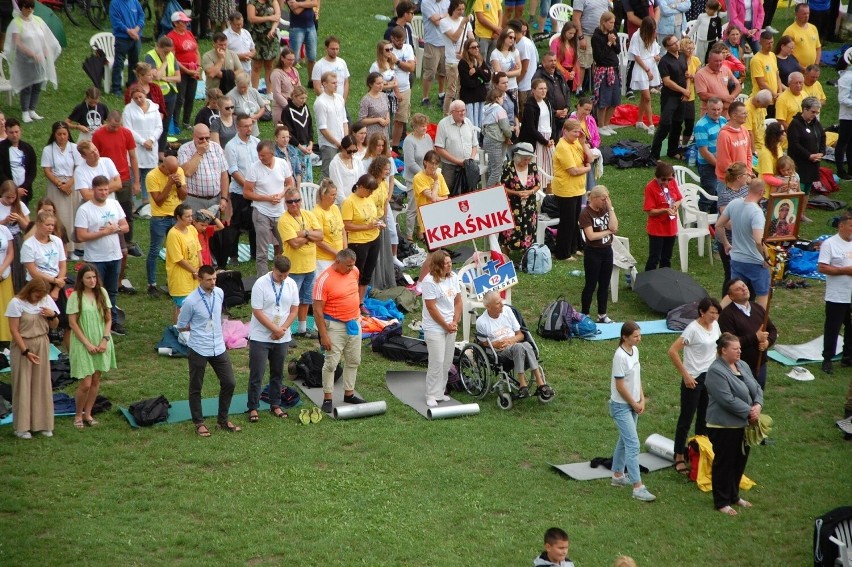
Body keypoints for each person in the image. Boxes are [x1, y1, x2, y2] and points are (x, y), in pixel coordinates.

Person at [177, 265, 240, 436]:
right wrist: (194, 336)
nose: (213, 283)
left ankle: (223, 419)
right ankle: (199, 422)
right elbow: (181, 325)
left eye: (214, 279)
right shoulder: (190, 301)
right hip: (198, 348)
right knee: (196, 386)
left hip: (218, 346)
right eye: (209, 280)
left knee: (229, 382)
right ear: (199, 279)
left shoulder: (219, 293)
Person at [704, 332, 764, 515]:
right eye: (735, 349)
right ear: (723, 350)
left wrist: (758, 405)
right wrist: (749, 411)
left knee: (739, 461)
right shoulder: (715, 371)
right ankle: (722, 501)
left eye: (739, 348)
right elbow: (726, 400)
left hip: (743, 425)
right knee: (725, 463)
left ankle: (734, 495)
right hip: (724, 426)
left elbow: (757, 387)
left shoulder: (743, 365)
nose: (739, 351)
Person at [667, 296, 721, 475]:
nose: (714, 316)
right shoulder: (692, 329)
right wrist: (686, 375)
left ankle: (698, 451)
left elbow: (717, 347)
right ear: (702, 312)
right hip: (694, 378)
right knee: (686, 418)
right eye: (711, 313)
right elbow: (673, 351)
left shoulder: (715, 326)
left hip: (709, 376)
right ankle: (679, 456)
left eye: (716, 313)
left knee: (704, 418)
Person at [313, 248, 367, 414]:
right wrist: (324, 336)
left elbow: (353, 292)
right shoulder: (324, 280)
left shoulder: (354, 271)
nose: (351, 269)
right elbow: (317, 310)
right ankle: (328, 398)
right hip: (334, 326)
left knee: (354, 360)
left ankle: (349, 394)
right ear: (337, 262)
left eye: (353, 266)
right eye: (348, 266)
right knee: (331, 363)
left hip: (353, 323)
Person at [74, 176, 129, 336]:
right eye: (101, 190)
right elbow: (81, 235)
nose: (104, 193)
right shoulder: (85, 209)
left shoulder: (114, 204)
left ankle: (112, 321)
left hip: (114, 255)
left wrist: (116, 228)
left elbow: (125, 226)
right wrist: (103, 232)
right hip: (95, 258)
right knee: (96, 289)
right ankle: (95, 320)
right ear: (93, 190)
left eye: (106, 189)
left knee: (112, 291)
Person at [247, 255, 298, 422]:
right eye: (279, 275)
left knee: (277, 373)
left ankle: (275, 404)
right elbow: (257, 311)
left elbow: (294, 309)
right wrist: (274, 329)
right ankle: (253, 407)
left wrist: (282, 329)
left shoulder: (291, 284)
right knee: (257, 372)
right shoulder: (260, 284)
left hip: (281, 336)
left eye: (286, 275)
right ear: (273, 269)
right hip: (261, 336)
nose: (283, 278)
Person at [609, 321, 656, 502]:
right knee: (633, 444)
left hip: (634, 403)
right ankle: (638, 487)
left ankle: (618, 475)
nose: (639, 338)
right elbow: (620, 386)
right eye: (635, 336)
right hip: (621, 406)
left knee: (625, 439)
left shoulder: (634, 351)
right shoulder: (619, 356)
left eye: (639, 335)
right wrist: (634, 403)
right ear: (625, 337)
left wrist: (642, 399)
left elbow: (636, 378)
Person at [6, 277, 58, 439]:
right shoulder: (16, 303)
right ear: (30, 291)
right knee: (23, 384)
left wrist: (52, 315)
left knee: (41, 383)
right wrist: (26, 351)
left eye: (42, 295)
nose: (39, 297)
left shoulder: (46, 300)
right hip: (24, 345)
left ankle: (43, 423)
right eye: (37, 294)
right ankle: (21, 427)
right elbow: (14, 331)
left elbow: (55, 325)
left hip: (42, 343)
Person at [68, 263, 116, 430]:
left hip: (101, 338)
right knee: (85, 383)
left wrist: (104, 339)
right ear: (81, 279)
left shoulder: (102, 293)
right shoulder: (75, 296)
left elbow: (108, 319)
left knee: (96, 379)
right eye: (88, 277)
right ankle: (78, 414)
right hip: (83, 341)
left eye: (94, 277)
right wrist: (87, 344)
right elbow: (73, 323)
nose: (92, 280)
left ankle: (88, 413)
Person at [477, 291, 551, 398]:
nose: (502, 304)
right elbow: (482, 343)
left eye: (501, 300)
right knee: (521, 346)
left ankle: (537, 384)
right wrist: (495, 344)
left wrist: (511, 340)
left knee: (525, 345)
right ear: (488, 306)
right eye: (498, 303)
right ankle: (526, 383)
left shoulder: (507, 310)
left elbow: (520, 335)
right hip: (500, 351)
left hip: (515, 345)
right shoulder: (482, 322)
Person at [93, 110, 142, 266]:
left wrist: (137, 181)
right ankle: (108, 240)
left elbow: (133, 157)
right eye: (113, 126)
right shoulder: (98, 135)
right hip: (105, 179)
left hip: (124, 178)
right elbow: (95, 157)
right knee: (107, 211)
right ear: (107, 121)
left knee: (126, 211)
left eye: (118, 126)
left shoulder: (126, 133)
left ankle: (127, 243)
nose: (116, 129)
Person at [715, 177, 770, 307]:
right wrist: (766, 258)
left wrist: (726, 244)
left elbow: (718, 225)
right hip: (755, 261)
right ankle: (760, 324)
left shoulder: (734, 203)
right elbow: (758, 240)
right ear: (761, 192)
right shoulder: (756, 212)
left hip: (737, 259)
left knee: (731, 294)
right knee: (763, 295)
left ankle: (716, 317)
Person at [277, 185, 322, 337]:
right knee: (289, 302)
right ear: (285, 203)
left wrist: (304, 233)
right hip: (294, 268)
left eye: (296, 200)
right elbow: (294, 244)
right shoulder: (284, 220)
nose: (294, 204)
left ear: (301, 200)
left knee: (305, 299)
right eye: (290, 202)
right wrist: (310, 236)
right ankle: (286, 330)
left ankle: (302, 328)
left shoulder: (308, 214)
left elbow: (321, 236)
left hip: (310, 265)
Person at [244, 140, 293, 277]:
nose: (260, 158)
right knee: (262, 251)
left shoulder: (282, 163)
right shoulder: (254, 168)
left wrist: (282, 194)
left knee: (285, 246)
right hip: (261, 212)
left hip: (280, 212)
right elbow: (247, 192)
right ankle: (262, 280)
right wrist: (267, 198)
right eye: (259, 155)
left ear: (272, 154)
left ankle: (284, 275)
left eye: (263, 155)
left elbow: (290, 182)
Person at [718, 278, 777, 389]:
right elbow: (730, 342)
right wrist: (755, 337)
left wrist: (767, 342)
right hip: (739, 366)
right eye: (738, 289)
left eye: (744, 286)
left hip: (760, 364)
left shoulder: (758, 308)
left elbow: (772, 329)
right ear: (731, 296)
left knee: (757, 398)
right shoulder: (727, 316)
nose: (744, 290)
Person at [421, 250, 461, 407]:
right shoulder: (429, 281)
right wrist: (445, 325)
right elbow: (431, 308)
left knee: (446, 361)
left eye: (450, 262)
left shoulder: (453, 277)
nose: (450, 265)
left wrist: (455, 321)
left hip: (450, 325)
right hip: (434, 327)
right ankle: (431, 393)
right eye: (446, 263)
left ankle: (440, 391)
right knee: (436, 361)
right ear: (438, 265)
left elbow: (458, 301)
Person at [552, 119, 593, 261]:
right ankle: (562, 253)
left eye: (579, 131)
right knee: (567, 222)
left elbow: (591, 158)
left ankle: (573, 248)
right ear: (565, 131)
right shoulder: (562, 146)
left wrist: (582, 142)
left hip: (577, 189)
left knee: (575, 220)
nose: (577, 134)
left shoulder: (576, 142)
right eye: (574, 132)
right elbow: (573, 171)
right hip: (565, 190)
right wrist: (587, 168)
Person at [817, 211, 852, 374]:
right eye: (851, 226)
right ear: (841, 225)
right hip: (837, 295)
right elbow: (822, 267)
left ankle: (848, 357)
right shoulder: (830, 244)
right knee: (833, 327)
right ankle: (827, 359)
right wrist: (845, 270)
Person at [146, 156, 187, 297]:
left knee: (175, 252)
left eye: (175, 172)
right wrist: (169, 183)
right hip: (160, 218)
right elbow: (158, 201)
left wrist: (179, 185)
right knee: (155, 250)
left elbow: (183, 197)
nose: (173, 174)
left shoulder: (179, 171)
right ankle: (151, 284)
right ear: (164, 167)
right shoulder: (152, 176)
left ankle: (174, 283)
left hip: (176, 217)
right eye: (170, 172)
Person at [41, 122, 82, 255]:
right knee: (60, 216)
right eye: (59, 134)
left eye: (65, 134)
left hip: (72, 183)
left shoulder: (74, 148)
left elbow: (79, 167)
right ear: (54, 134)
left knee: (74, 215)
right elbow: (47, 170)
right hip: (56, 185)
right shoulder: (48, 149)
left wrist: (69, 184)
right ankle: (62, 248)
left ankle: (75, 248)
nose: (62, 137)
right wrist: (60, 184)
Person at [342, 174, 383, 306]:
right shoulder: (349, 202)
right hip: (358, 242)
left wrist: (377, 223)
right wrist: (366, 227)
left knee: (367, 273)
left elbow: (372, 217)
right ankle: (352, 301)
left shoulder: (369, 199)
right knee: (356, 273)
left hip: (374, 238)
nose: (371, 193)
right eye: (369, 190)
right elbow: (346, 225)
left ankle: (360, 302)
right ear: (360, 187)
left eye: (372, 191)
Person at [579, 185, 618, 324]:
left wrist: (611, 208)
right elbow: (591, 236)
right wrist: (608, 231)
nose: (606, 201)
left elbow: (615, 227)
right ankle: (585, 314)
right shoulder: (586, 213)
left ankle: (602, 314)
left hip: (607, 251)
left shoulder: (605, 209)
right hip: (593, 253)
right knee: (590, 284)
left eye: (607, 198)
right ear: (594, 198)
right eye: (603, 199)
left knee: (604, 284)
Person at [123, 86, 163, 211]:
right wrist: (142, 141)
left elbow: (159, 127)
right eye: (135, 98)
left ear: (145, 95)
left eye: (140, 97)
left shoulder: (154, 108)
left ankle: (146, 202)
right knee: (135, 175)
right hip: (136, 147)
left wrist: (151, 139)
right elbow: (128, 129)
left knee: (148, 174)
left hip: (151, 146)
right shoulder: (128, 110)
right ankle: (133, 203)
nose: (139, 100)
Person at [651, 35, 689, 161]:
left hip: (682, 97)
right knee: (665, 125)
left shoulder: (682, 56)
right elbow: (667, 82)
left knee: (678, 124)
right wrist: (683, 90)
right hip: (670, 97)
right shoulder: (665, 61)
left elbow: (686, 74)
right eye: (673, 44)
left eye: (676, 41)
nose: (677, 44)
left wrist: (686, 91)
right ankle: (654, 154)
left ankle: (672, 151)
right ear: (667, 47)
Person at [178, 124, 230, 216]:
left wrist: (224, 198)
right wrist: (199, 153)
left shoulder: (216, 148)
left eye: (207, 138)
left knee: (214, 228)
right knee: (193, 229)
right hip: (194, 200)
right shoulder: (185, 149)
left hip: (215, 199)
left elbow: (224, 174)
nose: (205, 141)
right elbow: (188, 172)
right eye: (201, 138)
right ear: (193, 136)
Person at [786, 96, 825, 221]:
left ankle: (801, 213)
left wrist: (821, 153)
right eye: (813, 112)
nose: (815, 115)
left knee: (807, 189)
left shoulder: (815, 124)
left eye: (817, 113)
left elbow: (822, 137)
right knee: (799, 188)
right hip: (800, 163)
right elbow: (794, 144)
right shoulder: (795, 124)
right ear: (805, 109)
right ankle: (793, 213)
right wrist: (809, 155)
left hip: (813, 163)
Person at [715, 162, 750, 289]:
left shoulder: (745, 189)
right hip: (728, 242)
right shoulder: (725, 195)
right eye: (746, 174)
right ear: (739, 177)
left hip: (743, 240)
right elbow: (727, 224)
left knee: (744, 276)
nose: (749, 176)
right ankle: (726, 305)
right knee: (731, 277)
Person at [499, 143, 540, 252]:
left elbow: (538, 185)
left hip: (529, 206)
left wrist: (530, 191)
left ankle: (527, 255)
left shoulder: (533, 166)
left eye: (529, 159)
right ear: (518, 157)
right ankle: (506, 255)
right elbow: (502, 188)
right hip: (513, 206)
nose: (527, 161)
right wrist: (517, 193)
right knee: (509, 232)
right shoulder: (509, 166)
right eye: (525, 159)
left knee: (528, 230)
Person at [21, 211, 66, 308]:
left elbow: (62, 265)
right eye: (47, 225)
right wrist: (55, 280)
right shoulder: (28, 245)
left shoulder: (57, 241)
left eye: (52, 225)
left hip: (56, 282)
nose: (50, 228)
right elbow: (33, 272)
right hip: (37, 284)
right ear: (38, 224)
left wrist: (57, 288)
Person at [643, 161, 682, 271]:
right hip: (657, 229)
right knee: (654, 258)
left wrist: (675, 205)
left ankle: (664, 282)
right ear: (657, 177)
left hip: (671, 227)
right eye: (663, 179)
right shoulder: (650, 187)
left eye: (669, 179)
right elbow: (649, 211)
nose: (666, 182)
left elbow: (679, 199)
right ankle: (648, 283)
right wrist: (665, 210)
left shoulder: (672, 182)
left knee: (667, 258)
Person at [145, 36, 180, 154]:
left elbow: (178, 78)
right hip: (156, 95)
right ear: (158, 47)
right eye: (165, 51)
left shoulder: (171, 56)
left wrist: (166, 78)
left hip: (171, 94)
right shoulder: (150, 56)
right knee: (155, 123)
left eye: (169, 51)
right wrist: (164, 62)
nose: (168, 53)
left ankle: (161, 151)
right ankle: (152, 148)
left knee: (165, 124)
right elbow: (157, 76)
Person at [167, 10, 202, 131]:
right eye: (183, 22)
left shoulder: (189, 34)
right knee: (180, 98)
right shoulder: (171, 37)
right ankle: (176, 122)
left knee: (190, 96)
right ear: (176, 23)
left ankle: (186, 122)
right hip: (181, 71)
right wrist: (186, 70)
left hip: (193, 70)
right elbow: (173, 58)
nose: (186, 24)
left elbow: (196, 51)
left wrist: (198, 66)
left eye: (186, 22)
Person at [434, 100, 479, 192]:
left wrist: (471, 159)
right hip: (450, 167)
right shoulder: (443, 124)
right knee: (448, 191)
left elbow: (475, 144)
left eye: (464, 110)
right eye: (460, 111)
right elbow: (439, 148)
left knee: (469, 191)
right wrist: (458, 162)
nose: (463, 113)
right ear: (452, 112)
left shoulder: (468, 122)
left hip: (468, 166)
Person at [402, 113, 434, 239]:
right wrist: (424, 174)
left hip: (427, 177)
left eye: (425, 126)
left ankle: (421, 231)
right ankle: (409, 234)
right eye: (421, 126)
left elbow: (431, 155)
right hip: (413, 179)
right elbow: (410, 163)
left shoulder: (428, 138)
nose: (424, 128)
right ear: (414, 127)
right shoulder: (409, 141)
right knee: (413, 207)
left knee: (425, 206)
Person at [439, 0, 473, 116]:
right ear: (452, 9)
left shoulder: (465, 21)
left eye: (463, 9)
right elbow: (454, 38)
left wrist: (466, 54)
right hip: (452, 61)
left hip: (464, 60)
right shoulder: (444, 22)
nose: (461, 12)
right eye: (459, 9)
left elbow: (471, 40)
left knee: (461, 89)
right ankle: (446, 114)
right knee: (452, 90)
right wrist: (462, 24)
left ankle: (459, 112)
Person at [315, 71, 350, 180]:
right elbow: (323, 129)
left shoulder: (339, 98)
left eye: (337, 83)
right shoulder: (320, 102)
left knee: (342, 172)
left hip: (341, 142)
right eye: (333, 83)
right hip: (329, 144)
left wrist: (345, 140)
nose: (336, 85)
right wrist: (337, 143)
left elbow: (344, 121)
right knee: (328, 173)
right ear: (324, 84)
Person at [628, 17, 660, 134]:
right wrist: (647, 70)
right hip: (642, 67)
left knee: (643, 96)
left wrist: (656, 57)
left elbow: (655, 50)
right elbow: (636, 56)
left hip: (651, 65)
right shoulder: (636, 36)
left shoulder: (652, 35)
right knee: (647, 97)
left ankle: (639, 121)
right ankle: (651, 124)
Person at [591, 12, 621, 135]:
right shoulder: (596, 37)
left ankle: (607, 124)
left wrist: (614, 43)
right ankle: (601, 125)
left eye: (613, 22)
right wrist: (608, 43)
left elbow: (618, 50)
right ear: (604, 22)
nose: (612, 25)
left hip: (614, 69)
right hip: (603, 70)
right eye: (610, 22)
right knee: (603, 100)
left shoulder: (613, 33)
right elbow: (599, 57)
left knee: (615, 100)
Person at [714, 100, 751, 198]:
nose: (746, 115)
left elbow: (749, 154)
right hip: (728, 182)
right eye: (744, 113)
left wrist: (748, 173)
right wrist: (741, 176)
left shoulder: (745, 131)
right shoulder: (724, 135)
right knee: (727, 211)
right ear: (734, 116)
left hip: (743, 179)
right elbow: (724, 163)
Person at [519, 79, 554, 183]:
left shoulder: (547, 102)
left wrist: (552, 138)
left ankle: (549, 192)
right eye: (540, 89)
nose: (543, 91)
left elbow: (552, 121)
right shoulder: (530, 106)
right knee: (538, 166)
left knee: (551, 166)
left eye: (545, 88)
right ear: (533, 90)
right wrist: (544, 141)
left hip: (548, 138)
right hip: (537, 140)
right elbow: (530, 128)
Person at [388, 26, 417, 149]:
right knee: (387, 120)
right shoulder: (388, 50)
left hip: (405, 88)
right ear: (392, 38)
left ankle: (395, 146)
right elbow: (388, 72)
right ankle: (385, 145)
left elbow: (411, 68)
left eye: (403, 40)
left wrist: (397, 62)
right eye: (398, 40)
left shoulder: (408, 48)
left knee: (400, 119)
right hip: (389, 90)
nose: (401, 43)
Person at [694, 44, 742, 117]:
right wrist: (723, 98)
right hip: (710, 116)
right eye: (716, 61)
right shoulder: (700, 74)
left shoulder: (725, 69)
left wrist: (731, 98)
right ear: (709, 60)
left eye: (721, 61)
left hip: (727, 115)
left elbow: (738, 85)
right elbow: (702, 95)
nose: (719, 63)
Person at [109, 0, 144, 97]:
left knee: (135, 64)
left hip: (136, 38)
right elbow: (116, 21)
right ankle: (116, 88)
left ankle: (132, 86)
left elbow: (141, 16)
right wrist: (128, 31)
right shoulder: (115, 3)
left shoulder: (135, 2)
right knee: (119, 63)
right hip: (122, 39)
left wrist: (136, 30)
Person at [481, 88, 514, 190]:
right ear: (497, 98)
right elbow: (505, 128)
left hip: (487, 139)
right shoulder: (499, 110)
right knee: (497, 170)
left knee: (492, 167)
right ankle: (488, 192)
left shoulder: (485, 109)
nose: (503, 99)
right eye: (502, 97)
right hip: (496, 140)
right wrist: (509, 135)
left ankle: (493, 189)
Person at [281, 85, 314, 185]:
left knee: (307, 174)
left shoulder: (305, 108)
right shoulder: (287, 111)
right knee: (298, 173)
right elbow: (289, 133)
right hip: (294, 147)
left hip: (306, 147)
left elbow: (310, 126)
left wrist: (311, 143)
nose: (303, 100)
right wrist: (299, 146)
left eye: (305, 98)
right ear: (294, 97)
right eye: (301, 98)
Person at [0, 118, 37, 205]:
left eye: (17, 132)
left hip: (24, 192)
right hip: (6, 193)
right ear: (6, 132)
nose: (15, 135)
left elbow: (32, 171)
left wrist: (24, 187)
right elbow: (0, 172)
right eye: (11, 132)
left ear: (21, 131)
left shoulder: (28, 148)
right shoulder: (1, 149)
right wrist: (13, 189)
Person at [312, 179, 346, 274]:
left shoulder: (335, 208)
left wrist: (345, 251)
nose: (335, 197)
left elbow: (342, 230)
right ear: (323, 195)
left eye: (335, 194)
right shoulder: (316, 213)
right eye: (332, 195)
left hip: (339, 255)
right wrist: (337, 253)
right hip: (324, 259)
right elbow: (319, 241)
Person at [533, 52, 571, 136]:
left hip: (563, 116)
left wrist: (567, 108)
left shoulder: (559, 74)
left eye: (554, 60)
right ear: (543, 63)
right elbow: (537, 99)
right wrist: (554, 112)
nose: (553, 63)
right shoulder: (538, 77)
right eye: (550, 61)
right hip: (548, 119)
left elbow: (567, 91)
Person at [420, 0, 449, 108]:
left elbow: (450, 18)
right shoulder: (426, 3)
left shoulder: (447, 2)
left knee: (443, 71)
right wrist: (446, 15)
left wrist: (440, 16)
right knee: (430, 72)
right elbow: (436, 22)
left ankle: (441, 95)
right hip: (432, 42)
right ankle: (425, 98)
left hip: (445, 42)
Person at [457, 38, 491, 129]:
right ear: (467, 49)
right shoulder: (463, 63)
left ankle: (480, 141)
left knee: (481, 123)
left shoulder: (480, 61)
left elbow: (488, 77)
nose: (476, 49)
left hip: (480, 97)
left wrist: (477, 70)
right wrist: (480, 80)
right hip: (470, 98)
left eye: (477, 46)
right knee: (471, 124)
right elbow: (468, 83)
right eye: (473, 47)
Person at [246, 0, 280, 89]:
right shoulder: (252, 2)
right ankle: (254, 91)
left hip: (270, 37)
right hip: (257, 37)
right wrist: (269, 18)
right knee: (256, 66)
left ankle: (269, 91)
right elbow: (251, 18)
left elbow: (277, 17)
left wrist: (273, 29)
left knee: (269, 66)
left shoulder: (273, 1)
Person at [489, 28, 522, 112]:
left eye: (514, 38)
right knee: (501, 111)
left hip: (513, 86)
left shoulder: (515, 52)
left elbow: (519, 72)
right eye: (510, 37)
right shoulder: (495, 53)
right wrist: (512, 71)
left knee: (514, 111)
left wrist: (505, 73)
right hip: (499, 88)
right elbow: (499, 74)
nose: (512, 39)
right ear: (503, 37)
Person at [311, 36, 350, 100]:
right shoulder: (319, 65)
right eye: (332, 49)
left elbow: (346, 83)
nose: (335, 51)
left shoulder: (342, 62)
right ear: (326, 48)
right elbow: (317, 88)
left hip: (340, 102)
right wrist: (328, 101)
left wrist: (343, 100)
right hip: (325, 103)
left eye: (337, 49)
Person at [783, 4, 821, 69]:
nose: (806, 16)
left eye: (808, 13)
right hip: (796, 69)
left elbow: (818, 48)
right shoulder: (790, 31)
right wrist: (801, 68)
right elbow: (786, 53)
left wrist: (816, 65)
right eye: (804, 14)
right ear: (796, 14)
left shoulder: (813, 28)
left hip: (811, 70)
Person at [328, 135, 363, 206]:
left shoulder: (357, 160)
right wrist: (348, 205)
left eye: (354, 151)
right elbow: (338, 189)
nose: (352, 154)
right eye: (349, 151)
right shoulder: (335, 164)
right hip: (342, 203)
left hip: (357, 201)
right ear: (342, 148)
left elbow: (363, 179)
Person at [286, 0, 318, 75]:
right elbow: (296, 11)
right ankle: (291, 80)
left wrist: (299, 4)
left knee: (312, 57)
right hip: (296, 28)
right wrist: (308, 2)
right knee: (294, 59)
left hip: (311, 27)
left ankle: (311, 81)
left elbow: (315, 3)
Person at [269, 48, 300, 125]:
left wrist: (299, 101)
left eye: (293, 59)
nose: (291, 62)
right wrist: (288, 106)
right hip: (281, 109)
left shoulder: (295, 70)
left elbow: (299, 88)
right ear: (282, 58)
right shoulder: (276, 73)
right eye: (289, 59)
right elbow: (276, 94)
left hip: (295, 106)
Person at [680, 37, 701, 147]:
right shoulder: (679, 60)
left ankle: (684, 144)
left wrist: (692, 76)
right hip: (679, 94)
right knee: (677, 122)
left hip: (690, 95)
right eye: (688, 49)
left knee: (690, 122)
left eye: (692, 48)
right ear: (682, 49)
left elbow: (699, 76)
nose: (691, 51)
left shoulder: (696, 60)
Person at [359, 72, 391, 140]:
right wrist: (378, 120)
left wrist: (388, 118)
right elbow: (362, 120)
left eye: (382, 82)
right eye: (378, 83)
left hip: (384, 132)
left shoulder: (384, 95)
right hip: (372, 134)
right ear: (371, 84)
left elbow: (387, 109)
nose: (381, 85)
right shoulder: (366, 100)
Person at [224, 11, 256, 76]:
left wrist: (251, 55)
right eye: (237, 24)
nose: (240, 26)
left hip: (247, 69)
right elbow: (223, 53)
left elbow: (253, 49)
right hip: (233, 70)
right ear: (231, 23)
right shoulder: (225, 35)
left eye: (241, 24)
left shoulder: (246, 33)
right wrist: (239, 57)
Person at [551, 22, 579, 93]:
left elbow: (575, 59)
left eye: (574, 34)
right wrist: (566, 73)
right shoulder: (555, 42)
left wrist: (573, 71)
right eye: (570, 33)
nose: (572, 35)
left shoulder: (573, 42)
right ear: (564, 31)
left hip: (571, 71)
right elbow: (554, 60)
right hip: (560, 71)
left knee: (568, 94)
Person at [744, 90, 772, 155]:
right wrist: (754, 151)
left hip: (763, 142)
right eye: (764, 106)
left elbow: (762, 124)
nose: (765, 107)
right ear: (758, 101)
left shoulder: (761, 104)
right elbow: (749, 133)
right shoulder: (747, 110)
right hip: (755, 146)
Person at [0, 215, 13, 342]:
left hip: (4, 274)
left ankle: (5, 337)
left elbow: (10, 252)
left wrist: (2, 269)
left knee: (5, 305)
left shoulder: (4, 230)